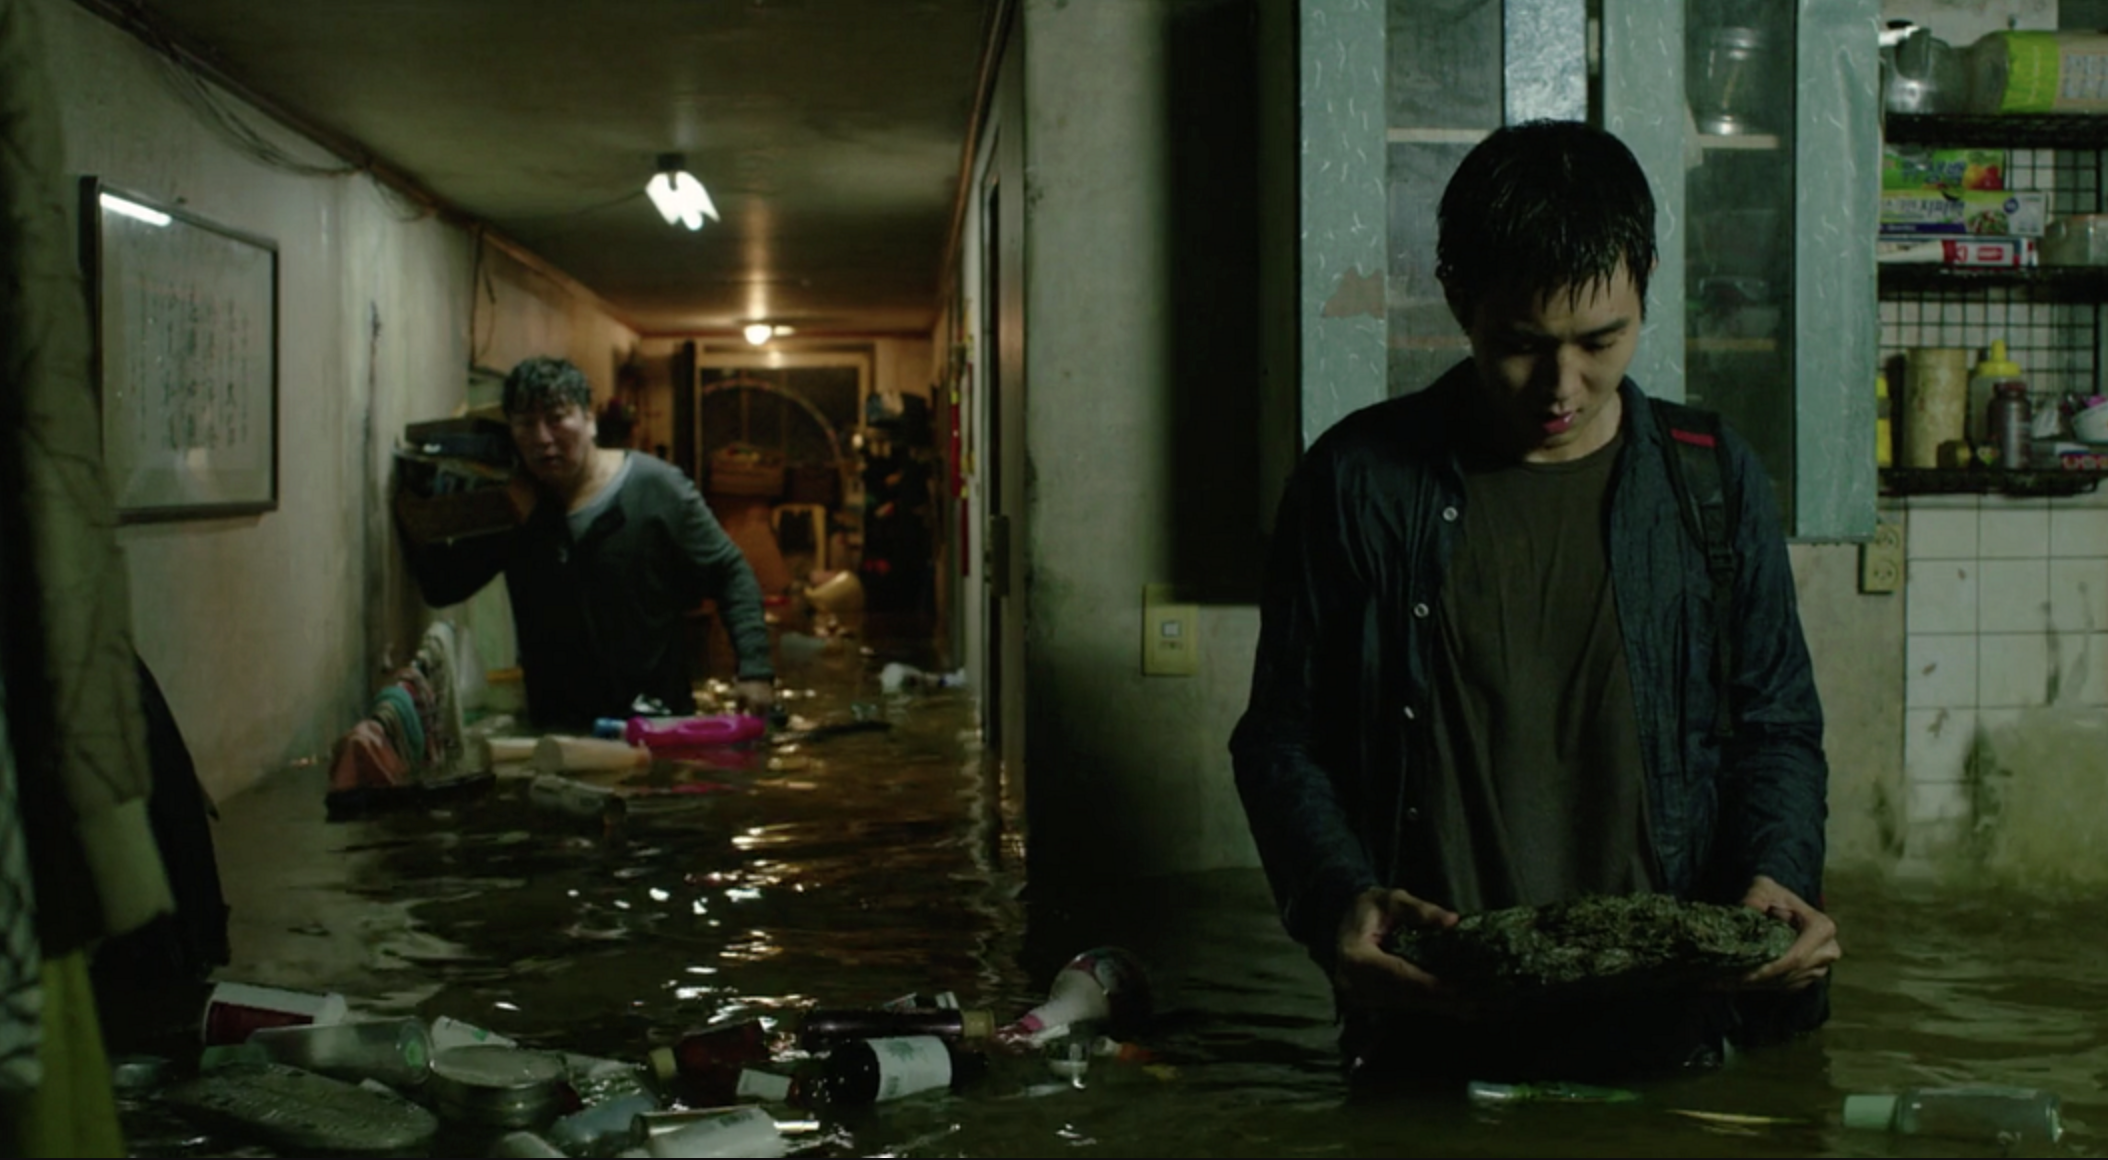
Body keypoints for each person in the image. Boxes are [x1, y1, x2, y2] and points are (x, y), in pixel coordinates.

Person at [1228, 120, 1838, 1083]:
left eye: (1603, 340)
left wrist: (1778, 880)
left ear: (1645, 281)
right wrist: (1336, 898)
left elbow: (1773, 728)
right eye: (1521, 345)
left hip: (1671, 1036)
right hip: (1436, 1035)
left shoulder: (1710, 481)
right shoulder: (1359, 482)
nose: (1565, 386)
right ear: (1459, 297)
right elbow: (1282, 739)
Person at [402, 356, 774, 728]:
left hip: (656, 722)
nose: (543, 438)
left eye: (557, 418)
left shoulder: (655, 488)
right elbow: (443, 586)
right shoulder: (515, 512)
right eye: (526, 424)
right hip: (561, 733)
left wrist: (754, 671)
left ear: (590, 419)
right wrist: (418, 500)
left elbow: (730, 572)